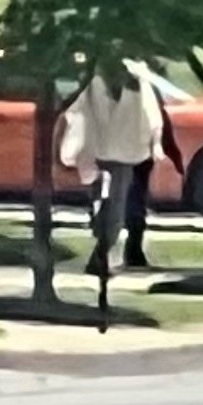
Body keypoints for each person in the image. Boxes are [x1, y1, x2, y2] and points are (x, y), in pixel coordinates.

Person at [62, 64, 181, 274]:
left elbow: (153, 119)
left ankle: (101, 252)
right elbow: (78, 115)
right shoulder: (95, 85)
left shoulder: (137, 86)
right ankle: (101, 246)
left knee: (116, 207)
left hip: (124, 156)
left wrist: (155, 144)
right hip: (99, 154)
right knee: (103, 205)